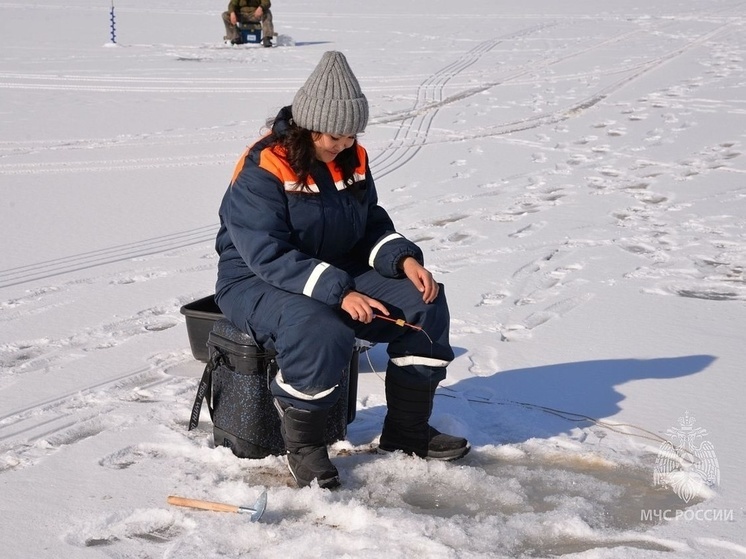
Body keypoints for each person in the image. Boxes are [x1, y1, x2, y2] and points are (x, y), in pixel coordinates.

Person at [215, 51, 470, 489]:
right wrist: (340, 292)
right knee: (321, 327)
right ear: (306, 126)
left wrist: (402, 258)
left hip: (332, 269)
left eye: (352, 135)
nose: (344, 144)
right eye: (335, 136)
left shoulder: (351, 159)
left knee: (423, 305)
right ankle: (305, 448)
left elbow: (368, 222)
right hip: (255, 280)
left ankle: (406, 433)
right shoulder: (265, 167)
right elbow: (266, 252)